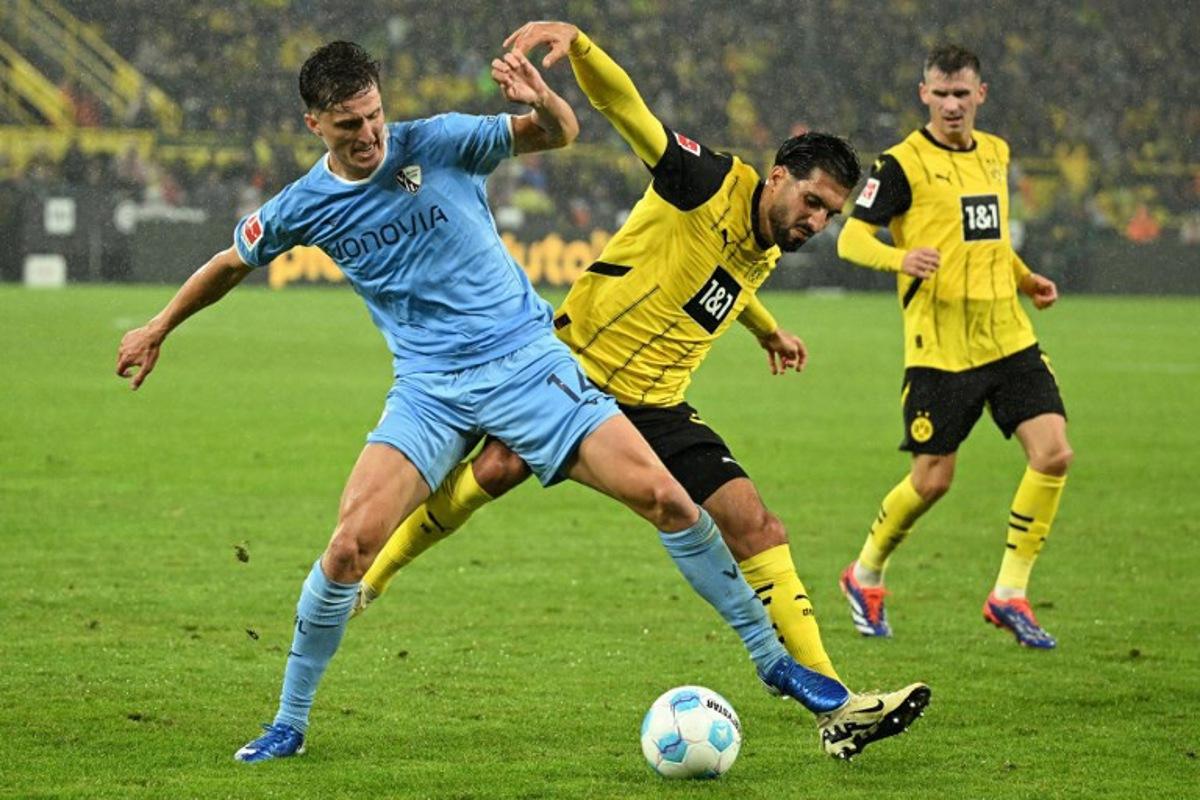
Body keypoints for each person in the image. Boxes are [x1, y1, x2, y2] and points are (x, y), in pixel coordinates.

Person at [114, 39, 895, 765]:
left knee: (667, 498)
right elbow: (230, 261)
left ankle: (773, 663)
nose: (370, 135)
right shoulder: (303, 204)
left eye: (375, 115)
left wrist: (545, 100)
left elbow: (556, 133)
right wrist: (158, 326)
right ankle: (288, 721)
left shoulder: (438, 140)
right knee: (349, 549)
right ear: (314, 123)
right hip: (428, 391)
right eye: (349, 125)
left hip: (528, 364)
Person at [356, 21, 930, 759]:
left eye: (829, 215)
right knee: (494, 470)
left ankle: (838, 707)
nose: (816, 223)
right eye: (812, 202)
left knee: (756, 524)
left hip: (657, 401)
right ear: (778, 175)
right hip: (572, 370)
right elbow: (628, 110)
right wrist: (580, 46)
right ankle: (374, 575)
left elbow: (722, 279)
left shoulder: (768, 238)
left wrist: (765, 329)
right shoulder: (707, 181)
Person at [835, 44, 1073, 648]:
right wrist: (899, 258)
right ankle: (865, 573)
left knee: (1053, 454)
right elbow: (850, 241)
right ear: (924, 94)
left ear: (980, 95)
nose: (950, 105)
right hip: (940, 348)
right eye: (940, 94)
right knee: (932, 480)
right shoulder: (900, 165)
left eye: (961, 94)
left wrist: (1025, 278)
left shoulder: (996, 152)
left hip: (1008, 335)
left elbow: (986, 238)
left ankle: (1009, 593)